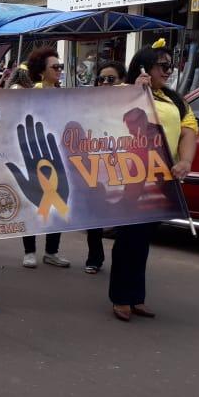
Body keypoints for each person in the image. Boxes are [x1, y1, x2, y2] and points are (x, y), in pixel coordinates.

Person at [110, 43, 198, 321]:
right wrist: (137, 92)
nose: (169, 71)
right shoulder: (124, 93)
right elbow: (109, 118)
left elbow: (189, 132)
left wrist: (185, 161)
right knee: (127, 239)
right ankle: (121, 298)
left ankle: (137, 297)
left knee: (144, 239)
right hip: (130, 176)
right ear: (145, 67)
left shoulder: (176, 100)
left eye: (171, 65)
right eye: (163, 65)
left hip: (162, 179)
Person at [17, 46, 70, 270]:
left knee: (58, 201)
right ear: (41, 71)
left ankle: (51, 251)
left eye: (61, 67)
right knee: (33, 202)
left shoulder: (62, 93)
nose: (59, 70)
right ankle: (30, 251)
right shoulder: (33, 92)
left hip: (59, 154)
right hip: (34, 153)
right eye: (55, 67)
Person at [82, 60, 130, 275]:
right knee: (95, 216)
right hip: (95, 168)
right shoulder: (89, 106)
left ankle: (123, 262)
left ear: (123, 82)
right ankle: (94, 258)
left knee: (124, 218)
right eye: (101, 79)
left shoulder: (133, 105)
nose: (105, 83)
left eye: (111, 79)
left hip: (125, 168)